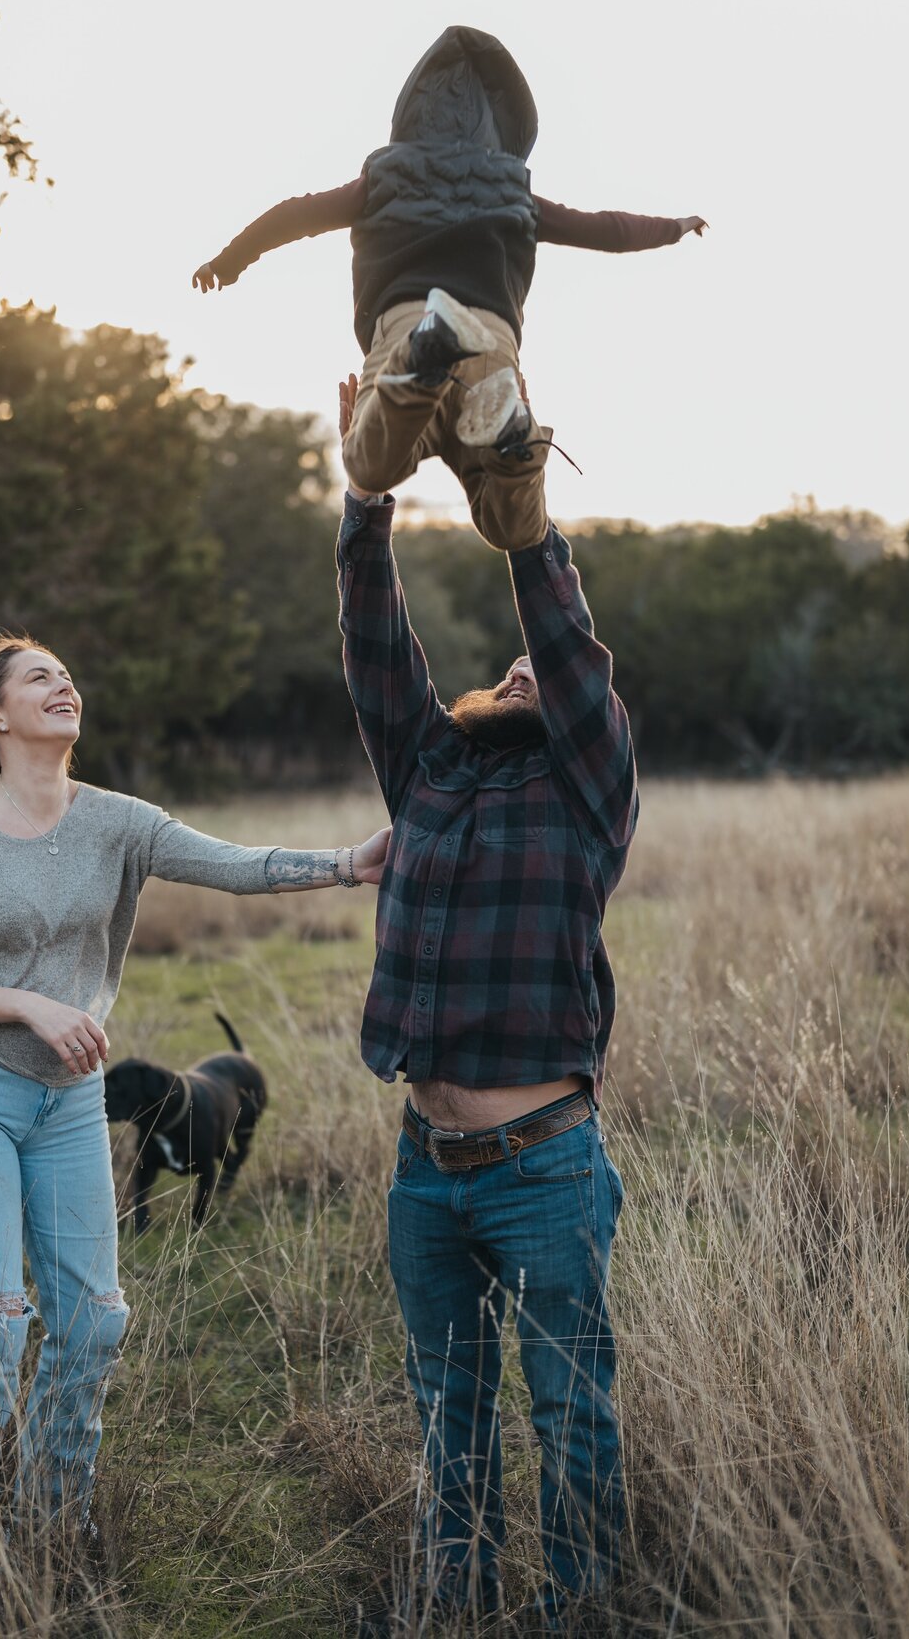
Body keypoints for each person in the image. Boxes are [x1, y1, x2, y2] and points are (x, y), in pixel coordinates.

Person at [0, 632, 389, 1566]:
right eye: (39, 677)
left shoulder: (118, 821)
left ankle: (58, 1521)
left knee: (94, 1321)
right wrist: (32, 1005)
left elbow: (232, 863)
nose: (63, 683)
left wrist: (348, 862)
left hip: (70, 1104)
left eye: (68, 674)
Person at [336, 384, 635, 1629]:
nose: (521, 677)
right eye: (502, 673)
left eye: (537, 679)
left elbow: (563, 649)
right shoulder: (430, 775)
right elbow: (375, 646)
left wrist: (526, 533)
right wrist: (367, 492)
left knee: (569, 1411)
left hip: (543, 1167)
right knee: (446, 1407)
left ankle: (578, 1613)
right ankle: (456, 1600)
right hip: (426, 1170)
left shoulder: (588, 796)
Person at [193, 24, 705, 550]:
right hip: (491, 343)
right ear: (507, 125)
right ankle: (509, 440)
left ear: (411, 114)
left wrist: (228, 262)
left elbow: (296, 215)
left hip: (406, 324)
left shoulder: (385, 177)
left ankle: (422, 361)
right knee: (513, 530)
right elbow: (605, 229)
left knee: (369, 464)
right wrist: (675, 226)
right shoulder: (514, 191)